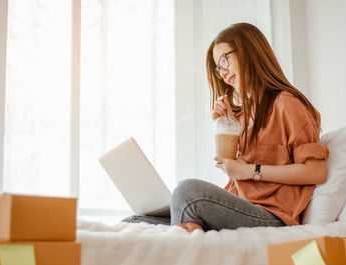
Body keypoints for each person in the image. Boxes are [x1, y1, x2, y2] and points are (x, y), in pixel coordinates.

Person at [122, 22, 329, 232]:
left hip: (270, 215)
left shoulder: (287, 103)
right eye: (218, 68)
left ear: (249, 51)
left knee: (187, 191)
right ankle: (189, 233)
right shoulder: (242, 115)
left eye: (224, 60)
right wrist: (228, 126)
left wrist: (250, 171)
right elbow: (233, 169)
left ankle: (187, 245)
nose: (222, 73)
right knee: (134, 223)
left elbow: (316, 171)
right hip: (238, 205)